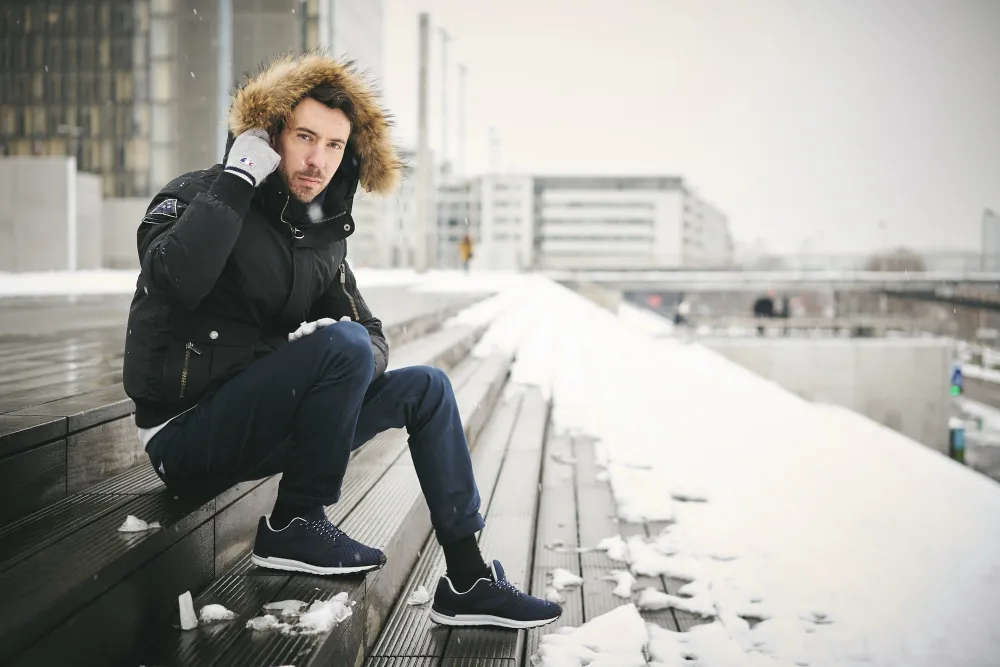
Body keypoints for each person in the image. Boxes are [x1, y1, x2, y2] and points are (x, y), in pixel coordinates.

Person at [122, 53, 560, 630]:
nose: (318, 160)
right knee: (343, 345)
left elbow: (370, 336)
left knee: (425, 387)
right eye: (305, 137)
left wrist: (336, 374)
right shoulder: (200, 194)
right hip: (184, 435)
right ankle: (295, 522)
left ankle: (468, 577)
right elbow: (174, 279)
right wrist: (236, 180)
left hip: (258, 424)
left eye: (334, 145)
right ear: (268, 134)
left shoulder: (319, 234)